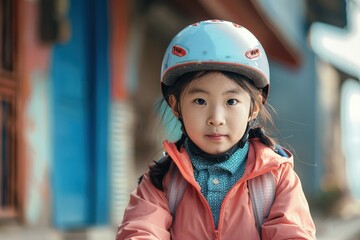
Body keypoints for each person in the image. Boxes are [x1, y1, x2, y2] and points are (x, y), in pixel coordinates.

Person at [116, 20, 316, 239]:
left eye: (231, 102)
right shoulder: (161, 180)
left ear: (254, 107)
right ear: (176, 106)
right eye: (200, 101)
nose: (216, 119)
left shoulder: (276, 178)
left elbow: (293, 233)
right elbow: (140, 230)